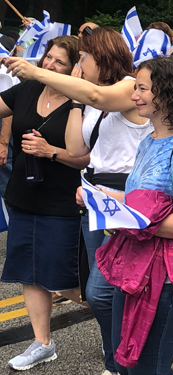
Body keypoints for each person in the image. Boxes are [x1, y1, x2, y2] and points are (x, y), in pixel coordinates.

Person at [7, 27, 155, 375]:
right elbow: (76, 149)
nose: (80, 64)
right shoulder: (87, 99)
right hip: (92, 197)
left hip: (122, 198)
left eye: (84, 57)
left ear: (101, 58)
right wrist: (75, 103)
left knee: (103, 291)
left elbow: (98, 96)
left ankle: (123, 358)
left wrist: (37, 71)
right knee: (98, 288)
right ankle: (116, 355)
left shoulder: (126, 86)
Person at [91, 56, 173, 375]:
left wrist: (132, 220)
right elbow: (138, 201)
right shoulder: (148, 141)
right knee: (129, 366)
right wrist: (103, 198)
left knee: (149, 369)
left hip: (168, 276)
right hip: (136, 268)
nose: (134, 95)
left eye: (142, 88)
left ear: (166, 94)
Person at [0, 35, 90, 371]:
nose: (50, 65)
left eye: (60, 62)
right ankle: (43, 343)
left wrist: (50, 152)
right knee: (30, 273)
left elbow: (87, 159)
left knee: (65, 277)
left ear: (74, 69)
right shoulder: (27, 90)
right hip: (22, 196)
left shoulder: (82, 102)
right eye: (48, 58)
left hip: (63, 200)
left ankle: (115, 317)